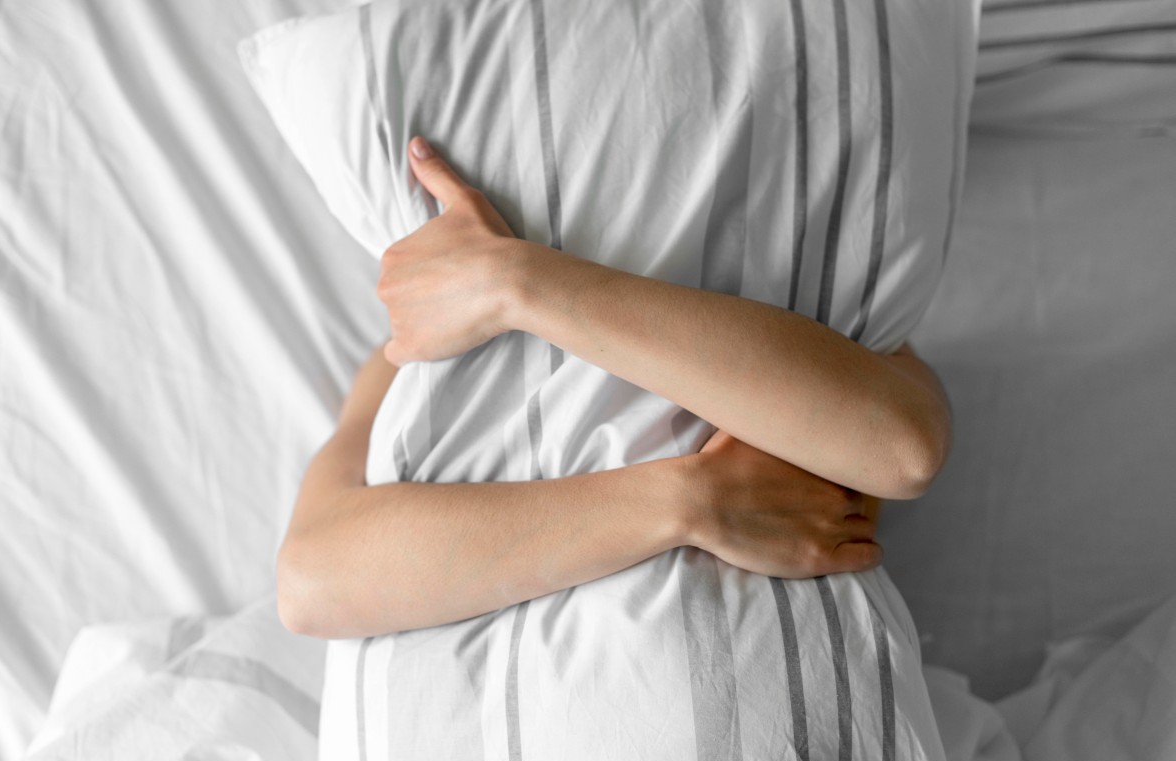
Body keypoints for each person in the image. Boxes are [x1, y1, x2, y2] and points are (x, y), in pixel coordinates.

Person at [277, 136, 952, 641]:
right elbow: (311, 582)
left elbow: (902, 450)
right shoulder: (417, 362)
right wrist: (688, 499)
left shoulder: (827, 308)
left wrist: (515, 283)